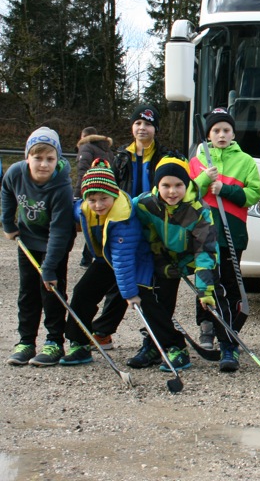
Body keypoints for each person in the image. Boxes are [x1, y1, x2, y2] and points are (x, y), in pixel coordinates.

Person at [132, 154, 241, 372]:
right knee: (159, 300)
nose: (172, 191)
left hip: (197, 257)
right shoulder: (144, 204)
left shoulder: (199, 210)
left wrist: (204, 289)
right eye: (166, 185)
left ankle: (229, 345)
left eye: (178, 185)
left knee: (214, 297)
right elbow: (128, 216)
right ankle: (157, 343)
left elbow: (205, 250)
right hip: (166, 257)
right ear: (157, 186)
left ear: (187, 184)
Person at [60, 160, 153, 365]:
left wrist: (130, 294)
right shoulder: (85, 208)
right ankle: (79, 343)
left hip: (134, 259)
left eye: (104, 198)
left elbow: (123, 261)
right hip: (106, 258)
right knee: (83, 292)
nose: (98, 205)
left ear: (115, 195)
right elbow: (76, 209)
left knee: (130, 294)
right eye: (92, 200)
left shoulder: (123, 218)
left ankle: (157, 343)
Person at [97, 103, 169, 350]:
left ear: (155, 128)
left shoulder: (164, 156)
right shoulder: (120, 157)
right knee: (120, 278)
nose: (142, 128)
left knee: (153, 285)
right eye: (138, 123)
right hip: (126, 225)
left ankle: (155, 337)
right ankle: (104, 331)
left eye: (148, 124)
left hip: (155, 225)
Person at [189, 108, 260, 350]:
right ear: (209, 134)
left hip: (233, 231)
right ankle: (206, 327)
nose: (221, 135)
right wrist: (204, 180)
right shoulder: (197, 161)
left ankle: (229, 328)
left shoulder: (246, 161)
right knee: (206, 280)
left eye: (226, 130)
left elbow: (254, 194)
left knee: (231, 282)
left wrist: (225, 190)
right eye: (216, 130)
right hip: (204, 232)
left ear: (233, 133)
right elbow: (186, 194)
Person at [2, 127, 75, 366]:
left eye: (50, 159)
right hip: (28, 239)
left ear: (57, 159)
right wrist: (8, 223)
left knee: (51, 291)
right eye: (38, 158)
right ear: (27, 157)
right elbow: (6, 191)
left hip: (55, 243)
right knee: (28, 291)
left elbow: (60, 230)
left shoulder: (62, 187)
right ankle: (26, 341)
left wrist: (49, 268)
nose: (44, 164)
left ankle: (54, 342)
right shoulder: (16, 172)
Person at [74, 126, 114, 267]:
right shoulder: (107, 150)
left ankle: (88, 259)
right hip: (106, 191)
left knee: (89, 223)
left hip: (91, 190)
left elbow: (82, 171)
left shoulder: (86, 147)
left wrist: (77, 194)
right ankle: (100, 256)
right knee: (100, 224)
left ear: (84, 136)